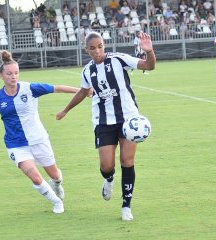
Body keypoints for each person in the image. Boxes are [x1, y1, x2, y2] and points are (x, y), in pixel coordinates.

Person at [0, 50, 84, 214]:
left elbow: (56, 88)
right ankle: (56, 202)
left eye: (16, 73)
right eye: (9, 74)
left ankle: (56, 184)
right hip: (16, 145)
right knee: (35, 177)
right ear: (1, 76)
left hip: (39, 139)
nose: (13, 76)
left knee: (55, 175)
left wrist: (83, 91)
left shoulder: (29, 88)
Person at [56, 31, 156, 221]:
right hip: (103, 121)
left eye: (100, 46)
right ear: (87, 50)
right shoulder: (87, 71)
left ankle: (126, 205)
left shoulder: (118, 59)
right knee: (106, 165)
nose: (97, 51)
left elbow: (149, 66)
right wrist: (66, 109)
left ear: (104, 45)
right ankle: (108, 179)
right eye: (93, 48)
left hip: (128, 119)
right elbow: (83, 92)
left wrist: (149, 51)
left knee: (127, 161)